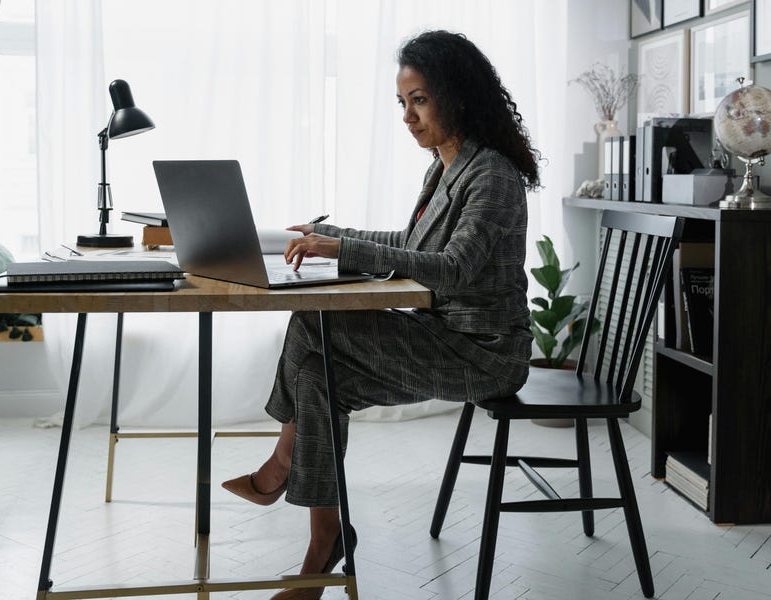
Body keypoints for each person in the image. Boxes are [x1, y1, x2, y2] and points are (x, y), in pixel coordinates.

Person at [222, 29, 541, 600]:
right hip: (442, 335)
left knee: (308, 320)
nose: (408, 116)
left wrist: (343, 251)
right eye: (403, 102)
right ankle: (324, 544)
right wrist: (333, 234)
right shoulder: (446, 167)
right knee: (318, 377)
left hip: (484, 353)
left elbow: (450, 268)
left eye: (419, 100)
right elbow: (411, 240)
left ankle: (281, 465)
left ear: (457, 95)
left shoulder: (491, 174)